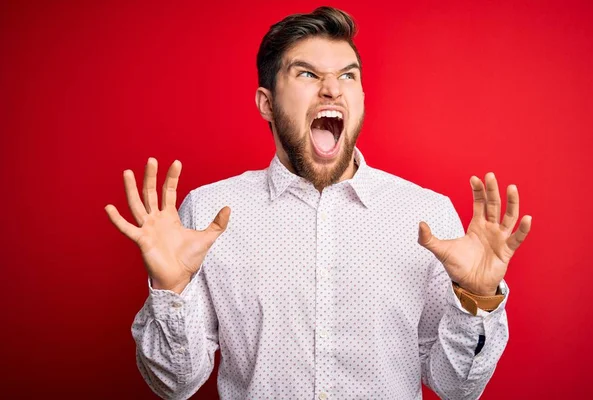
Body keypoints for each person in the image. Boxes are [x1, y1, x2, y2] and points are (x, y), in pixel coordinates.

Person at [105, 6, 532, 400]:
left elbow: (457, 387)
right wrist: (170, 290)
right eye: (307, 74)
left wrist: (478, 298)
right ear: (267, 104)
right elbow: (174, 385)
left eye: (348, 76)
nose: (332, 89)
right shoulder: (209, 212)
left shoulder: (427, 215)